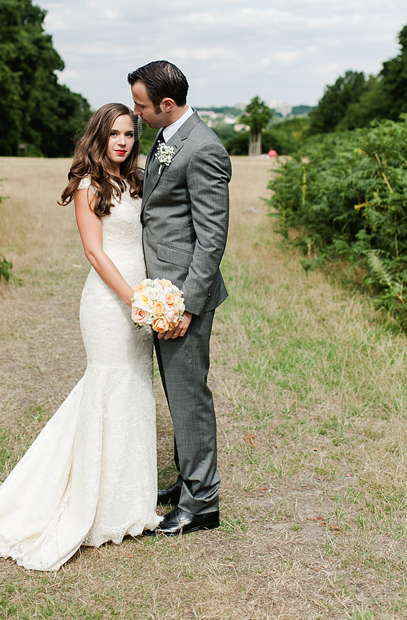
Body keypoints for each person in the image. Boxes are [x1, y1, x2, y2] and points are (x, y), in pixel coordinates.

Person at [0, 103, 159, 570]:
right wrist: (135, 299)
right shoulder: (88, 185)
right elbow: (95, 254)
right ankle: (84, 501)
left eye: (130, 134)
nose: (123, 141)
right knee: (107, 387)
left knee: (135, 389)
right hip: (109, 302)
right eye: (115, 133)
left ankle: (128, 502)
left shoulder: (136, 182)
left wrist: (153, 297)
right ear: (98, 136)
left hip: (143, 298)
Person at [128, 60, 231, 536]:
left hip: (183, 295)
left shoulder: (205, 148)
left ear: (166, 105)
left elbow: (211, 238)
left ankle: (202, 503)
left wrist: (188, 305)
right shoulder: (167, 136)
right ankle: (187, 482)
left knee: (189, 397)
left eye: (142, 105)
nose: (136, 112)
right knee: (176, 392)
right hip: (162, 288)